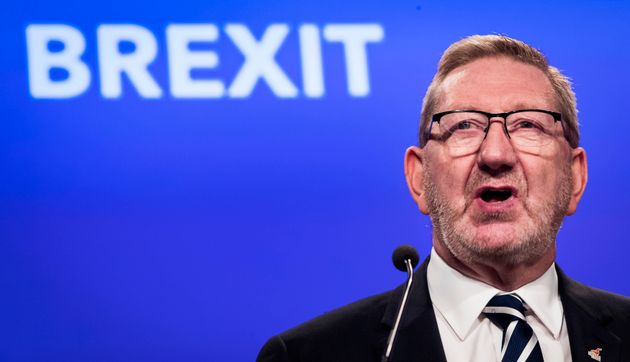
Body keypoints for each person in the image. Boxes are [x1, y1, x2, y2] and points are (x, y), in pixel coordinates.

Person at [257, 35, 630, 362]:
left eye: (527, 125)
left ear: (575, 177)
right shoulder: (309, 355)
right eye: (464, 125)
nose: (495, 154)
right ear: (419, 178)